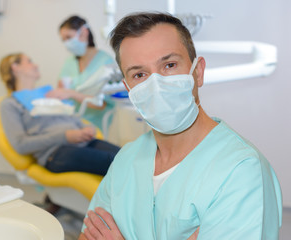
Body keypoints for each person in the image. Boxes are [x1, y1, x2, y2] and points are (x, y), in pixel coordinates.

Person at [80, 12, 282, 239]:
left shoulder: (241, 170)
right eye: (139, 74)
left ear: (198, 72)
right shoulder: (127, 160)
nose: (156, 85)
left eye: (169, 65)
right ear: (129, 90)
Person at [0, 53, 120, 176]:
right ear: (15, 67)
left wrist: (87, 129)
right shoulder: (10, 104)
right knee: (113, 163)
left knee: (126, 157)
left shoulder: (49, 94)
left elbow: (74, 119)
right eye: (29, 61)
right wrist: (65, 136)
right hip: (56, 152)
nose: (36, 65)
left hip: (84, 142)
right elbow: (21, 145)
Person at [47, 15, 118, 131]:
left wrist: (72, 94)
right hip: (70, 123)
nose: (66, 43)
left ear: (84, 33)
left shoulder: (105, 62)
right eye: (63, 40)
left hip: (95, 127)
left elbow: (102, 104)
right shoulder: (70, 62)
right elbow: (61, 91)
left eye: (68, 37)